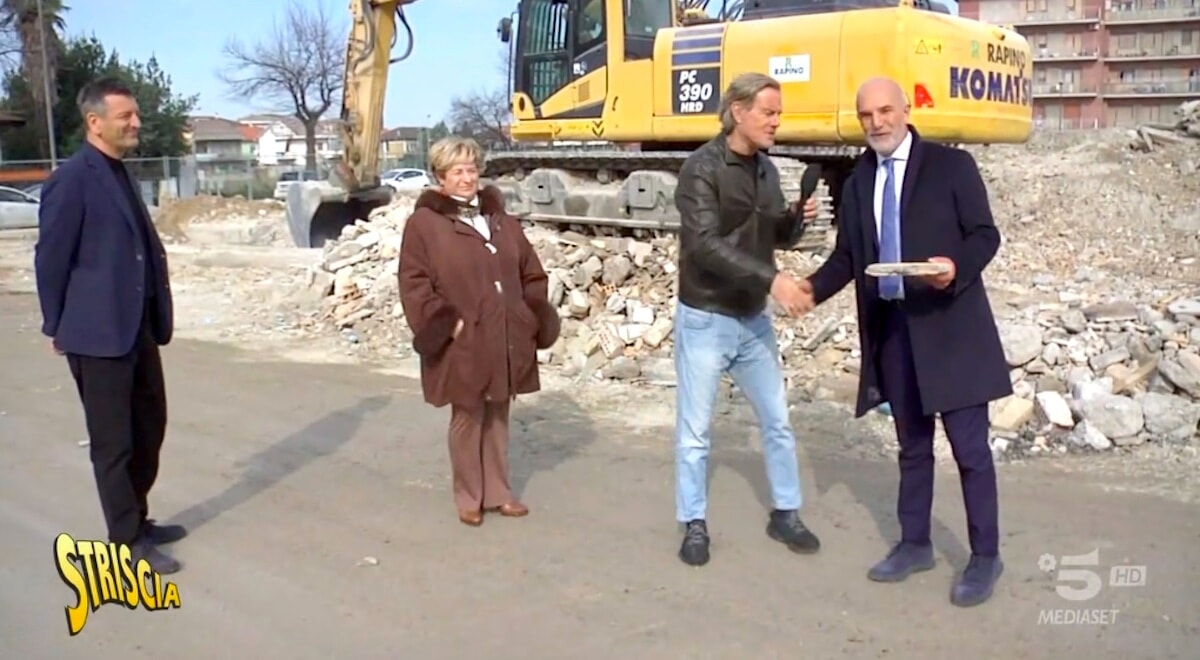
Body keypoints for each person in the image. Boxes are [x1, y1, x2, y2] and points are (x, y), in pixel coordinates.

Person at [800, 77, 1012, 607]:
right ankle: (915, 543)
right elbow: (849, 257)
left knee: (970, 452)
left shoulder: (951, 166)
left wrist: (954, 267)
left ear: (907, 109)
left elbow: (985, 235)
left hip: (951, 329)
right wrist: (809, 290)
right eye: (866, 115)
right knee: (912, 448)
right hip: (894, 333)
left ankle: (985, 556)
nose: (877, 122)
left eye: (885, 111)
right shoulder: (858, 181)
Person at [34, 77, 185, 574]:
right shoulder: (72, 180)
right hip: (96, 333)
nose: (136, 123)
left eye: (135, 114)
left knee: (150, 426)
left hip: (136, 325)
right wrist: (56, 324)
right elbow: (50, 258)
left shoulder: (120, 173)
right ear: (95, 122)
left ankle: (136, 517)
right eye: (126, 116)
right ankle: (125, 539)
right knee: (113, 442)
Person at [672, 72, 823, 567]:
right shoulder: (701, 168)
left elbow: (770, 234)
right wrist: (773, 281)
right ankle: (694, 522)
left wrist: (795, 219)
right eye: (768, 112)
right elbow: (704, 244)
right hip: (706, 316)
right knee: (696, 431)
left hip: (752, 319)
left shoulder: (766, 170)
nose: (776, 122)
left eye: (779, 113)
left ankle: (786, 512)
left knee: (777, 421)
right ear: (738, 111)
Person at [398, 136, 561, 527]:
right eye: (457, 171)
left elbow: (532, 272)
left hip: (506, 334)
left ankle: (500, 493)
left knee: (499, 413)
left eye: (471, 169)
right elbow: (413, 282)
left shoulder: (501, 221)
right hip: (463, 337)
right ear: (440, 177)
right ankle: (469, 497)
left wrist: (529, 314)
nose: (467, 178)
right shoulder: (425, 225)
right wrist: (445, 323)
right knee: (468, 416)